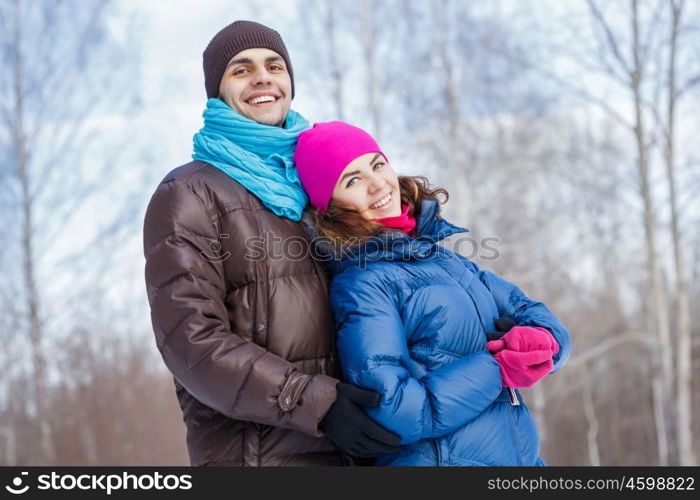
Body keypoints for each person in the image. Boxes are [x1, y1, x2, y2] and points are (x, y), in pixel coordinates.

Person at [143, 22, 400, 467]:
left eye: (274, 65)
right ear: (217, 93)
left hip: (354, 450)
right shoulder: (189, 194)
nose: (263, 77)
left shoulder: (321, 185)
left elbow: (391, 283)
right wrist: (316, 403)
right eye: (241, 70)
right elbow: (191, 341)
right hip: (260, 456)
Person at [294, 121, 572, 466]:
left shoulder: (447, 261)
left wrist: (541, 345)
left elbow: (538, 318)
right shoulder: (363, 284)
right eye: (353, 180)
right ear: (330, 208)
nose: (378, 184)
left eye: (377, 164)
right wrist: (497, 368)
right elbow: (394, 411)